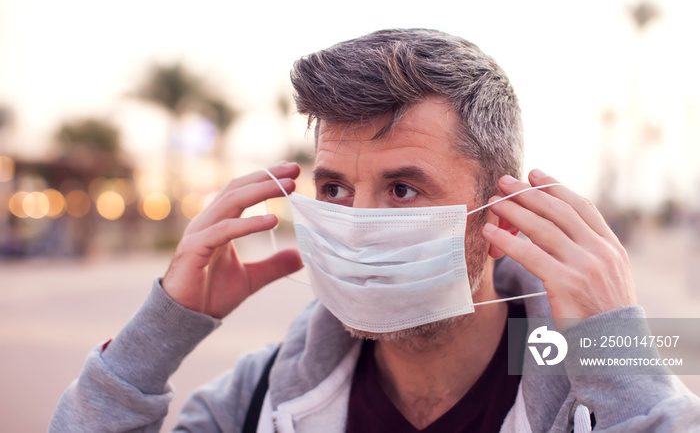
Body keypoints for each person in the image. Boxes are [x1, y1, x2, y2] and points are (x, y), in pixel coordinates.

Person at [50, 29, 699, 432]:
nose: (356, 226)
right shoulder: (256, 398)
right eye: (333, 188)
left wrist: (621, 352)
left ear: (501, 211)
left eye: (402, 189)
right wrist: (160, 330)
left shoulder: (604, 390)